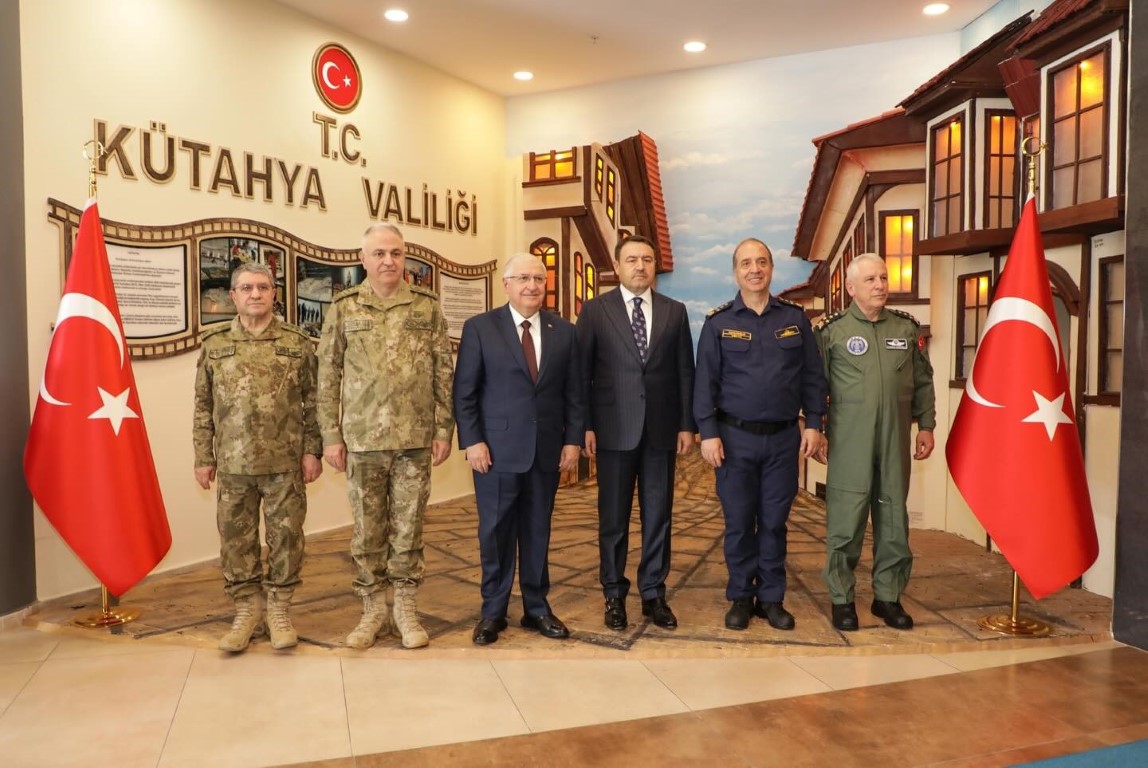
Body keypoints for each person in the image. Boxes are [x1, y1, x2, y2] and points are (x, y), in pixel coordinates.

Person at [317, 222, 454, 650]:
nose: (388, 261)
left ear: (404, 256)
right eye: (379, 253)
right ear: (363, 260)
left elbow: (443, 371)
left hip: (415, 439)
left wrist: (443, 428)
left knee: (409, 530)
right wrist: (330, 435)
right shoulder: (344, 308)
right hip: (362, 441)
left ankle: (405, 609)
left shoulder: (426, 307)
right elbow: (327, 374)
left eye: (395, 253)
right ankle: (373, 609)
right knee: (367, 532)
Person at [694, 238, 827, 631]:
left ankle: (771, 598)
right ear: (735, 272)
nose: (755, 269)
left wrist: (814, 423)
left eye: (762, 262)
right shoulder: (718, 323)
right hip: (734, 440)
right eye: (746, 263)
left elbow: (812, 376)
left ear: (771, 268)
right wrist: (708, 433)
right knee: (739, 522)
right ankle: (740, 595)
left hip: (783, 440)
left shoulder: (795, 319)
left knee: (773, 523)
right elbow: (704, 384)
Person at [453, 253, 585, 646]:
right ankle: (492, 612)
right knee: (495, 533)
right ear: (506, 284)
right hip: (494, 453)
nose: (532, 285)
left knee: (537, 530)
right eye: (523, 278)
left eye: (538, 279)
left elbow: (575, 393)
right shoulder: (480, 328)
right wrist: (473, 441)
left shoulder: (564, 332)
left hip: (546, 452)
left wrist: (572, 440)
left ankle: (536, 608)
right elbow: (465, 392)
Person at [193, 263, 322, 653]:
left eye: (263, 287)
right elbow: (203, 405)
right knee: (236, 540)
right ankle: (247, 610)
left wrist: (312, 450)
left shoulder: (297, 343)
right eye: (247, 288)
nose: (255, 294)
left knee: (286, 538)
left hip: (285, 463)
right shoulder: (214, 344)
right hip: (233, 463)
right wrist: (203, 456)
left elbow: (313, 402)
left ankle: (279, 610)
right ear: (233, 295)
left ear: (274, 294)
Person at [576, 236, 695, 631]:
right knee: (613, 519)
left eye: (647, 259)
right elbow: (581, 374)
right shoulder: (595, 311)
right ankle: (614, 594)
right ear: (617, 266)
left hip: (661, 431)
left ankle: (653, 594)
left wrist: (686, 424)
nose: (640, 266)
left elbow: (685, 372)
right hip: (613, 430)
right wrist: (585, 425)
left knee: (658, 516)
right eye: (631, 259)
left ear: (655, 265)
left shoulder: (675, 312)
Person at [815, 253, 936, 632]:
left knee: (893, 518)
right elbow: (814, 387)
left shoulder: (906, 329)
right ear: (851, 288)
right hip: (849, 440)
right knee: (846, 520)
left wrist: (927, 426)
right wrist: (815, 429)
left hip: (894, 438)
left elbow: (923, 381)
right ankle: (842, 598)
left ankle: (888, 597)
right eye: (870, 279)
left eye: (883, 277)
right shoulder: (831, 331)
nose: (880, 285)